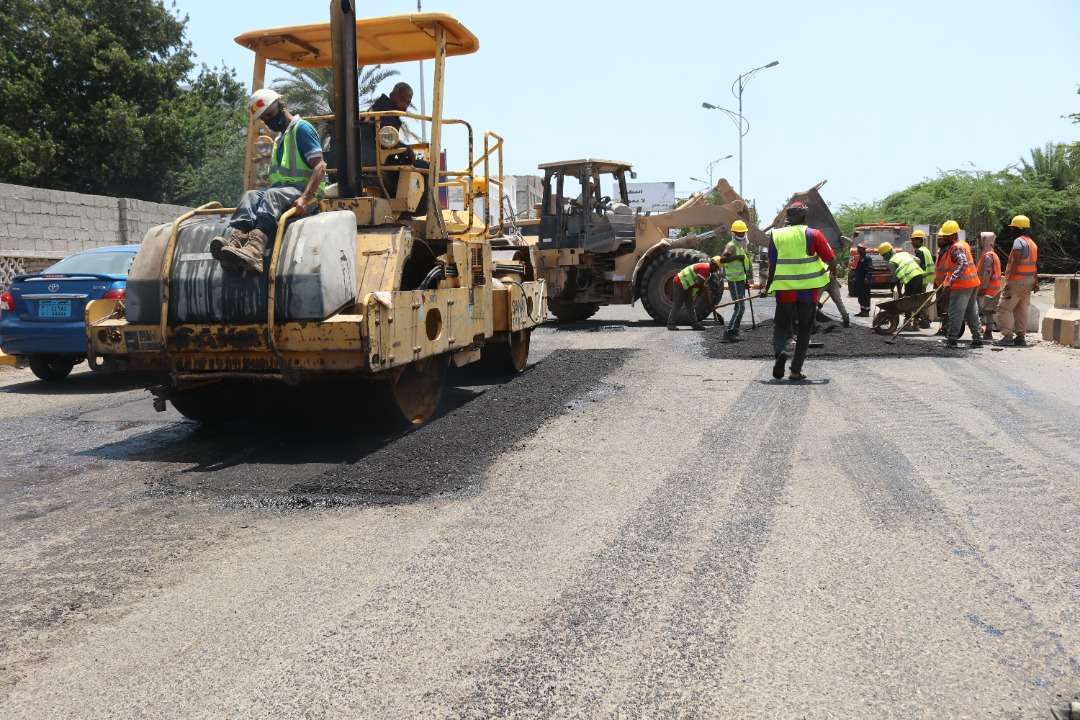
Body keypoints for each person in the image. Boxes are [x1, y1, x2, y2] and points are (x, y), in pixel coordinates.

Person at [211, 89, 326, 274]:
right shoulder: (280, 139)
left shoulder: (302, 129)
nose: (268, 121)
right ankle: (237, 240)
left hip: (305, 191)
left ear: (281, 106)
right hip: (284, 191)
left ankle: (255, 249)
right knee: (250, 195)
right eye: (264, 119)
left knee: (272, 195)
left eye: (270, 115)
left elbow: (320, 166)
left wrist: (305, 198)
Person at [765, 201, 835, 381]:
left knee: (781, 326)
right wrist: (832, 272)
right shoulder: (813, 234)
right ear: (804, 216)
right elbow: (830, 258)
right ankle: (795, 370)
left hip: (785, 290)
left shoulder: (776, 235)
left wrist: (767, 286)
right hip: (808, 292)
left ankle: (781, 352)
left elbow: (772, 265)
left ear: (788, 217)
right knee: (804, 329)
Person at [937, 220, 983, 348]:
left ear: (953, 235)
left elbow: (963, 264)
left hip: (961, 286)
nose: (943, 238)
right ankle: (977, 339)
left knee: (955, 313)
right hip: (972, 284)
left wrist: (951, 280)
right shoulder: (963, 244)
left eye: (945, 236)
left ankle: (952, 340)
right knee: (971, 312)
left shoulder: (955, 247)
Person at [995, 215, 1039, 347]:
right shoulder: (1032, 244)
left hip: (1016, 280)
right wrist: (1035, 281)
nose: (1011, 230)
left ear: (1019, 228)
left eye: (1013, 228)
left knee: (1004, 308)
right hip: (1029, 281)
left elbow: (1015, 262)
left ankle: (1007, 336)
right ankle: (1020, 337)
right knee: (1021, 308)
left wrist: (1008, 281)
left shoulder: (1018, 242)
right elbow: (1034, 265)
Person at [718, 220, 753, 341]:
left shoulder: (740, 246)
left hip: (740, 280)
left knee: (741, 307)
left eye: (742, 232)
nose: (741, 234)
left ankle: (735, 331)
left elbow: (742, 266)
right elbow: (722, 260)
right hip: (734, 280)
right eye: (739, 232)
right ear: (734, 233)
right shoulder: (731, 246)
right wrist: (737, 257)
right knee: (739, 307)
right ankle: (729, 332)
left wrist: (746, 281)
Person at [668, 256, 722, 331]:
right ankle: (670, 324)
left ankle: (695, 324)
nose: (716, 270)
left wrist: (702, 292)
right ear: (713, 265)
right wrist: (702, 292)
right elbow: (699, 283)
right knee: (678, 304)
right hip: (680, 282)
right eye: (716, 268)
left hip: (688, 285)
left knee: (690, 305)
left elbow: (702, 284)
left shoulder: (708, 270)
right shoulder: (705, 268)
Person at [976, 231, 1002, 340]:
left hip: (987, 289)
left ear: (985, 241)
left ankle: (987, 332)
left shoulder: (988, 256)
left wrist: (982, 287)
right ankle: (988, 332)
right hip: (993, 289)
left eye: (980, 240)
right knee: (988, 312)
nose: (979, 243)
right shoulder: (993, 255)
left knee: (985, 311)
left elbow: (987, 273)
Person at [910, 230, 935, 327]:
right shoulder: (926, 250)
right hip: (927, 280)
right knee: (922, 302)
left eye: (913, 240)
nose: (912, 242)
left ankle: (919, 322)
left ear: (919, 240)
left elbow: (920, 267)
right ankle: (925, 321)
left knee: (918, 303)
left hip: (922, 280)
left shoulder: (920, 251)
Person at [850, 245, 873, 316]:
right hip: (860, 281)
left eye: (859, 249)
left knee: (866, 296)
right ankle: (862, 311)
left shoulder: (868, 258)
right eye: (858, 249)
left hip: (865, 281)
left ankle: (866, 312)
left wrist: (867, 278)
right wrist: (855, 276)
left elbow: (870, 269)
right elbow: (858, 269)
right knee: (861, 296)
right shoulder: (860, 258)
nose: (858, 251)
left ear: (863, 250)